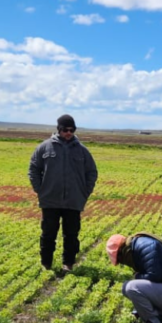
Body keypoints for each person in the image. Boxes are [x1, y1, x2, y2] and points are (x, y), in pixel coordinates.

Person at [28, 114, 98, 272]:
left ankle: (68, 263)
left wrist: (84, 193)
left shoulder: (82, 150)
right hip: (50, 200)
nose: (69, 133)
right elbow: (33, 169)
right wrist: (40, 190)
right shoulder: (44, 147)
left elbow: (91, 172)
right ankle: (46, 263)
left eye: (72, 130)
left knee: (71, 235)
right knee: (48, 234)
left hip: (73, 201)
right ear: (58, 129)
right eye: (65, 130)